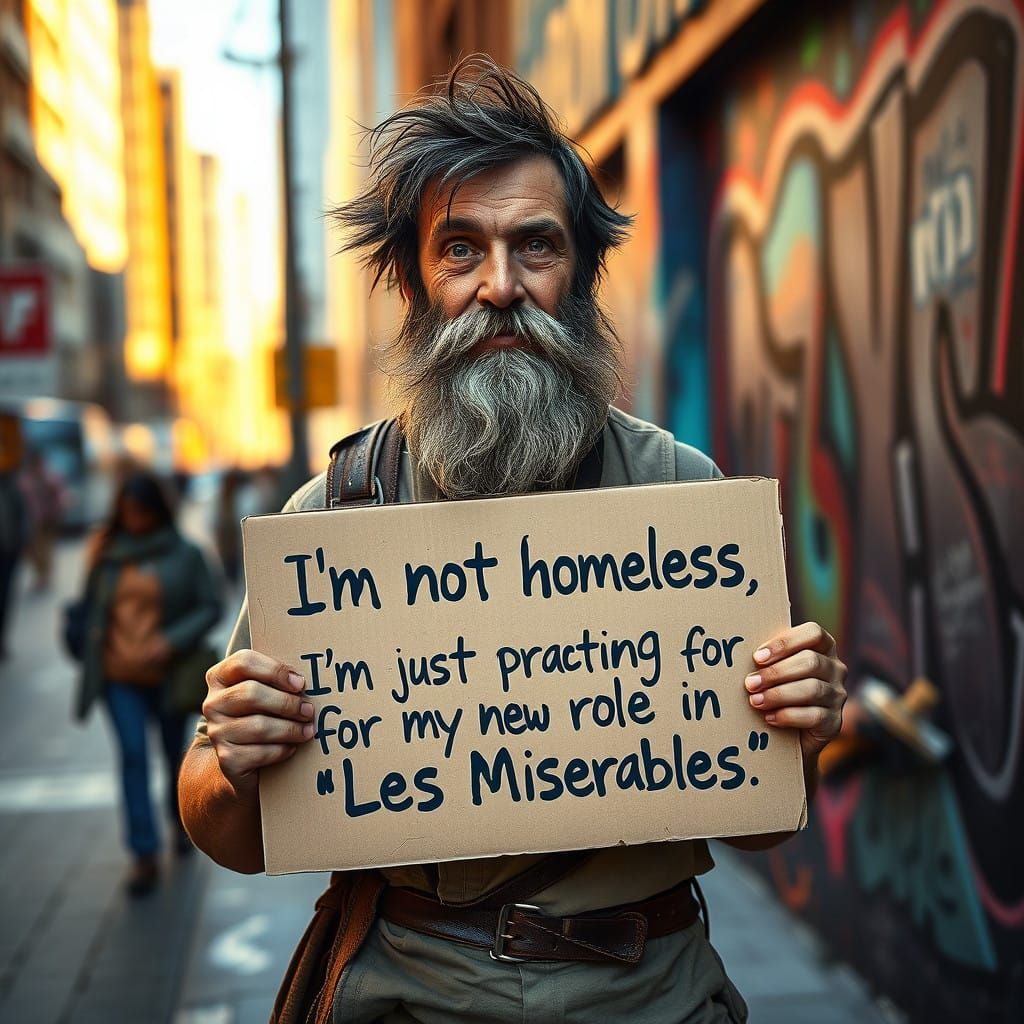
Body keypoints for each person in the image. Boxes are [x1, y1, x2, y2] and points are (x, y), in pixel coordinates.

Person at [179, 57, 847, 1021]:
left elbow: (763, 825)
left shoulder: (681, 499)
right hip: (414, 997)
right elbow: (228, 832)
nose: (502, 286)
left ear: (579, 273)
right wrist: (232, 755)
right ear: (413, 282)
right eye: (460, 250)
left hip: (650, 993)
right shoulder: (337, 515)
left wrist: (801, 729)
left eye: (536, 246)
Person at [77, 470, 221, 896]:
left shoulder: (185, 553)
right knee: (133, 755)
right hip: (118, 678)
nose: (134, 520)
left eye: (140, 512)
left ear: (157, 511)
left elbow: (210, 605)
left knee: (171, 756)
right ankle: (143, 854)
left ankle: (180, 824)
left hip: (167, 675)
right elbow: (88, 610)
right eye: (126, 512)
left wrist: (171, 640)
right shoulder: (106, 553)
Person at [18, 447, 65, 591]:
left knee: (46, 549)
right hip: (34, 521)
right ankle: (41, 574)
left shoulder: (50, 477)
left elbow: (61, 496)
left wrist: (58, 509)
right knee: (35, 551)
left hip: (49, 519)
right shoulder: (25, 480)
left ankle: (44, 576)